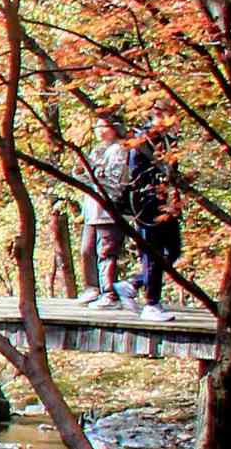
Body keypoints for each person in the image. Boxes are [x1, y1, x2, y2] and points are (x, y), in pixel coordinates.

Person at [124, 118, 183, 322]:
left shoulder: (168, 141)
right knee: (153, 252)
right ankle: (151, 303)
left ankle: (134, 283)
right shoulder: (141, 145)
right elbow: (137, 177)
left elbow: (174, 173)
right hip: (148, 207)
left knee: (174, 250)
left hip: (167, 204)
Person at [78, 115, 134, 306]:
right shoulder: (97, 150)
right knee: (86, 250)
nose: (100, 130)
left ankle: (109, 293)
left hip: (109, 211)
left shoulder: (120, 150)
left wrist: (93, 177)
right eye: (97, 126)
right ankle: (92, 288)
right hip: (92, 210)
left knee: (106, 252)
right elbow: (87, 178)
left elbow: (116, 182)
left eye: (105, 126)